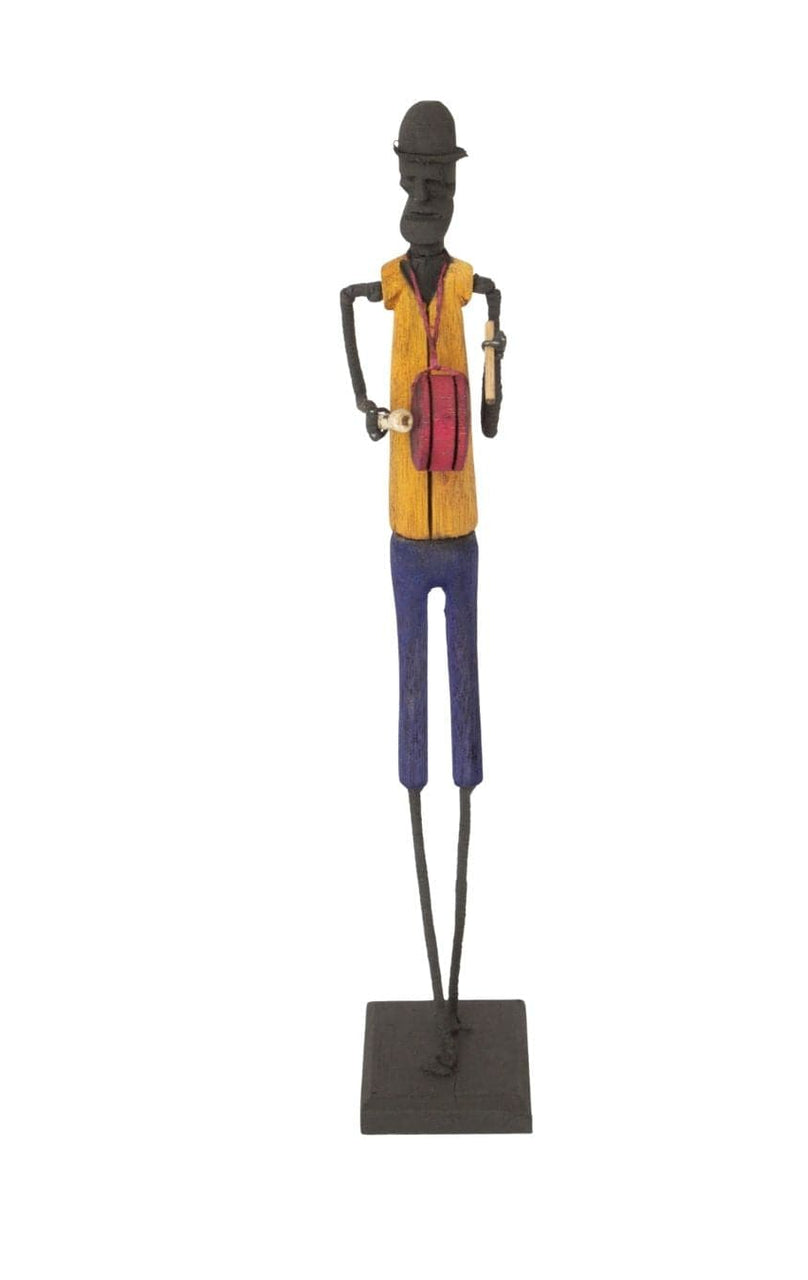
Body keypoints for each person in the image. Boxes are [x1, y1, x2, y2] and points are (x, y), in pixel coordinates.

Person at [340, 101, 506, 1073]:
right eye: (418, 180)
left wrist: (494, 359)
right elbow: (339, 298)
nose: (428, 197)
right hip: (409, 533)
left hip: (461, 535)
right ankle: (436, 990)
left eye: (439, 181)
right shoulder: (395, 284)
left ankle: (455, 997)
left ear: (453, 186)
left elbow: (491, 424)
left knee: (466, 737)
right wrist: (364, 405)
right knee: (412, 730)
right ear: (403, 182)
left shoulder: (472, 286)